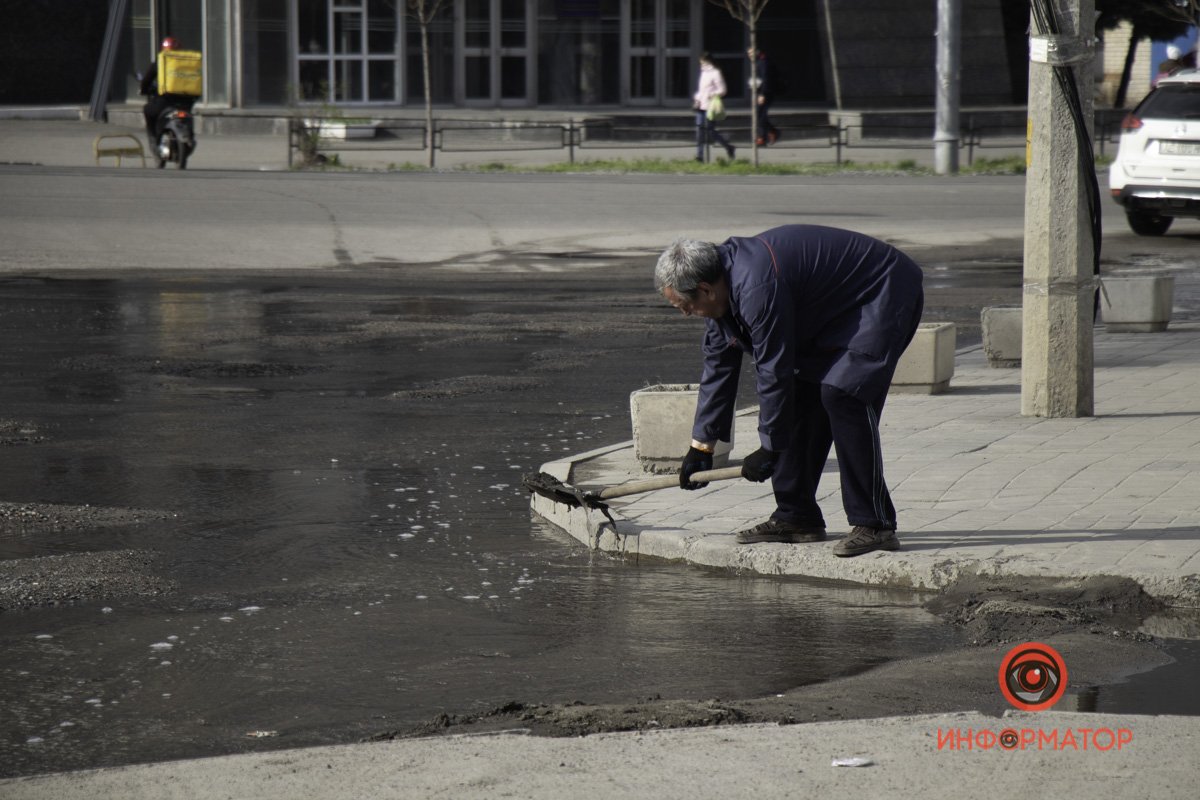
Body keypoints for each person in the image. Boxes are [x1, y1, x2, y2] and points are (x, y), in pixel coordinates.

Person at [654, 225, 924, 558]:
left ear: (706, 289)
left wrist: (770, 447)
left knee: (843, 394)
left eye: (684, 306)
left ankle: (875, 523)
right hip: (829, 308)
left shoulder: (756, 286)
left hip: (881, 291)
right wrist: (702, 446)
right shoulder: (721, 288)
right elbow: (718, 366)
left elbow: (774, 370)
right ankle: (797, 516)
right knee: (805, 392)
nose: (685, 314)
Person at [139, 36, 195, 148]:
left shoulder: (160, 62)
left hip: (166, 101)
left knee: (147, 110)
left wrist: (144, 89)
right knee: (188, 117)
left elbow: (147, 79)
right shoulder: (187, 63)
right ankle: (190, 136)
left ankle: (153, 138)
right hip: (187, 101)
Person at [693, 52, 735, 163]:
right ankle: (699, 155)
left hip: (710, 106)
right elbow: (701, 90)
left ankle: (728, 147)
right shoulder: (703, 73)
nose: (701, 64)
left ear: (708, 61)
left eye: (702, 62)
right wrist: (697, 99)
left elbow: (722, 90)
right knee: (699, 131)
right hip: (700, 105)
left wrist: (712, 95)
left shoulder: (715, 73)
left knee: (710, 132)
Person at [747, 47, 780, 146]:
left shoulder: (763, 62)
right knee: (760, 115)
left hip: (765, 93)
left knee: (759, 115)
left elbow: (766, 79)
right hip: (760, 92)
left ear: (757, 51)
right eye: (748, 53)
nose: (749, 55)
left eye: (751, 53)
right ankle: (771, 132)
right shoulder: (757, 62)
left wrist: (762, 94)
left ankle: (763, 137)